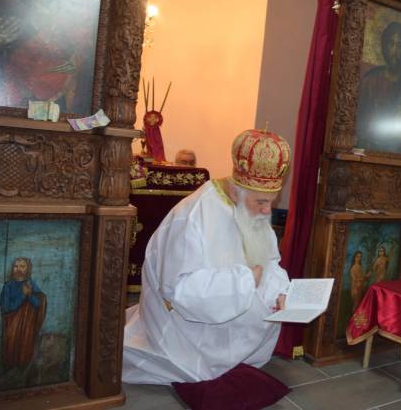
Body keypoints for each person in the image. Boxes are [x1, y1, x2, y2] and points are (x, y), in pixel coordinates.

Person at [122, 129, 291, 384]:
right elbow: (179, 290)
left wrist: (280, 291)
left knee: (263, 313)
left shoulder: (252, 210)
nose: (267, 211)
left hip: (232, 297)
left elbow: (270, 262)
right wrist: (244, 281)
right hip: (183, 321)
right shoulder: (193, 215)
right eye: (261, 202)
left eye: (271, 202)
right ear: (236, 191)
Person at [355, 21, 401, 154]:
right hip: (366, 148)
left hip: (393, 152)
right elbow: (358, 119)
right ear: (384, 46)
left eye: (399, 45)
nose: (395, 51)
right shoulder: (370, 79)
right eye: (391, 44)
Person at [0, 257, 47, 369]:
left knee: (26, 348)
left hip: (28, 327)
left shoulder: (31, 284)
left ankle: (24, 370)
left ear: (28, 268)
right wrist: (23, 296)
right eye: (16, 266)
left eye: (22, 266)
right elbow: (6, 308)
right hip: (12, 325)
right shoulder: (8, 286)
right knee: (12, 348)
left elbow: (38, 304)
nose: (18, 269)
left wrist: (30, 295)